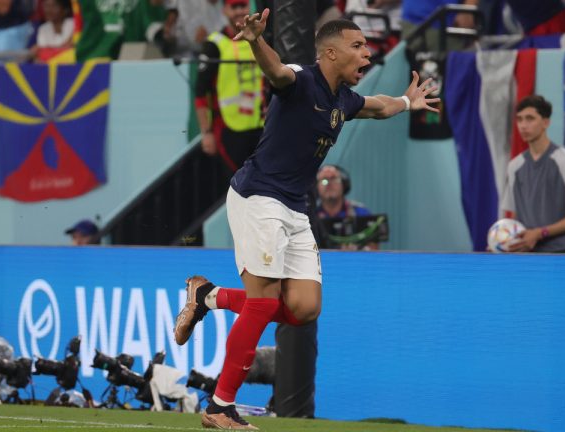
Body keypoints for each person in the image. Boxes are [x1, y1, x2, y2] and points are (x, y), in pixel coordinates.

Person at [172, 12, 439, 430]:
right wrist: (257, 41)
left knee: (302, 309)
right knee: (262, 303)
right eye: (357, 46)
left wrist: (407, 102)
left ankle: (208, 295)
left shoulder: (343, 100)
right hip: (258, 196)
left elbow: (378, 106)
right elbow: (276, 71)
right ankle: (219, 407)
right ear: (330, 53)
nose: (366, 53)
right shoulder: (301, 80)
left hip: (294, 208)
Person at [501, 95, 565, 253]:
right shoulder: (514, 166)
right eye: (519, 119)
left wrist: (540, 233)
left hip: (561, 253)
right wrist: (502, 243)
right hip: (526, 256)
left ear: (546, 122)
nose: (523, 126)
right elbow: (513, 217)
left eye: (530, 119)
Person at [195, 0, 264, 174]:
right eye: (234, 7)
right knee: (238, 185)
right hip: (228, 129)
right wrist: (206, 133)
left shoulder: (261, 40)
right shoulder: (214, 45)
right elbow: (200, 93)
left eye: (243, 6)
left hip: (261, 127)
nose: (240, 11)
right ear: (225, 10)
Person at [316, 164, 378, 250]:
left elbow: (374, 248)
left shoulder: (360, 213)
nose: (329, 184)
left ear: (344, 184)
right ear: (315, 187)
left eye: (334, 179)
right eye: (324, 180)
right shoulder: (309, 217)